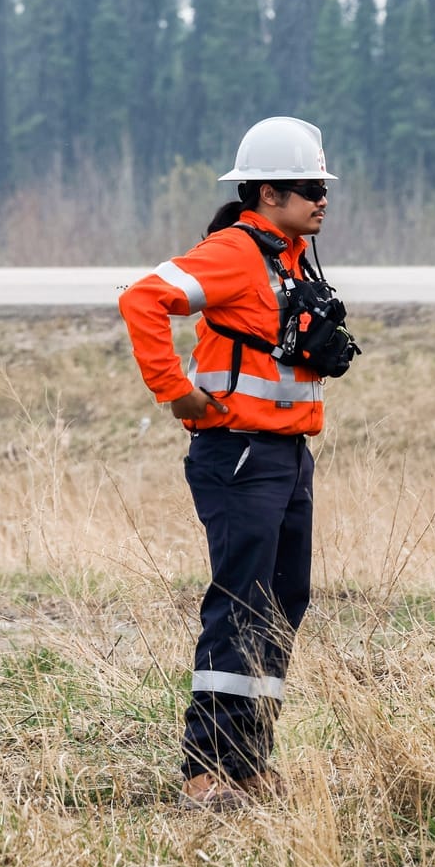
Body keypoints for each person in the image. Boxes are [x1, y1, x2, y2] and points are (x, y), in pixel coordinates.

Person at [118, 116, 357, 810]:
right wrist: (177, 392)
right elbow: (143, 299)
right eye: (309, 186)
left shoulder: (288, 256)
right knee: (241, 603)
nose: (322, 197)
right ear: (266, 191)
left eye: (322, 186)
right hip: (240, 454)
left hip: (286, 454)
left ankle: (249, 760)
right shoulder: (233, 252)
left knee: (283, 603)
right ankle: (204, 767)